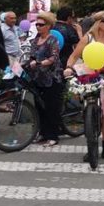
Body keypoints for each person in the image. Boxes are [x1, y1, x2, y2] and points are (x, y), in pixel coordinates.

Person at [66, 11, 104, 161]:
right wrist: (69, 67)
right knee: (88, 113)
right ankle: (91, 147)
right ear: (98, 23)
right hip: (89, 78)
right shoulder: (88, 38)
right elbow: (74, 56)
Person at [27, 11, 63, 147]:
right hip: (38, 78)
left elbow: (54, 57)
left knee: (51, 108)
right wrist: (29, 62)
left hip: (51, 78)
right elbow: (31, 55)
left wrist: (42, 62)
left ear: (48, 26)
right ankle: (42, 133)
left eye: (41, 25)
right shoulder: (36, 39)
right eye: (37, 25)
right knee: (39, 107)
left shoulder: (52, 39)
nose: (38, 27)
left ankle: (53, 135)